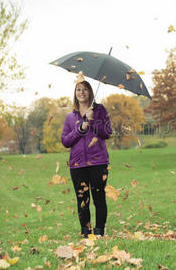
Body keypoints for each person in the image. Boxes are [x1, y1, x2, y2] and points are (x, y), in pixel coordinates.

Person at [61, 79, 112, 237]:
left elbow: (107, 132)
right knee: (82, 199)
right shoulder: (70, 117)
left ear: (90, 92)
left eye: (85, 89)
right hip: (77, 164)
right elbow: (65, 141)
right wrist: (81, 127)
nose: (81, 92)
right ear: (75, 94)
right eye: (78, 89)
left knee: (99, 198)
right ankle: (86, 232)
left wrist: (93, 120)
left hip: (98, 162)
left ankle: (99, 231)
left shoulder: (100, 110)